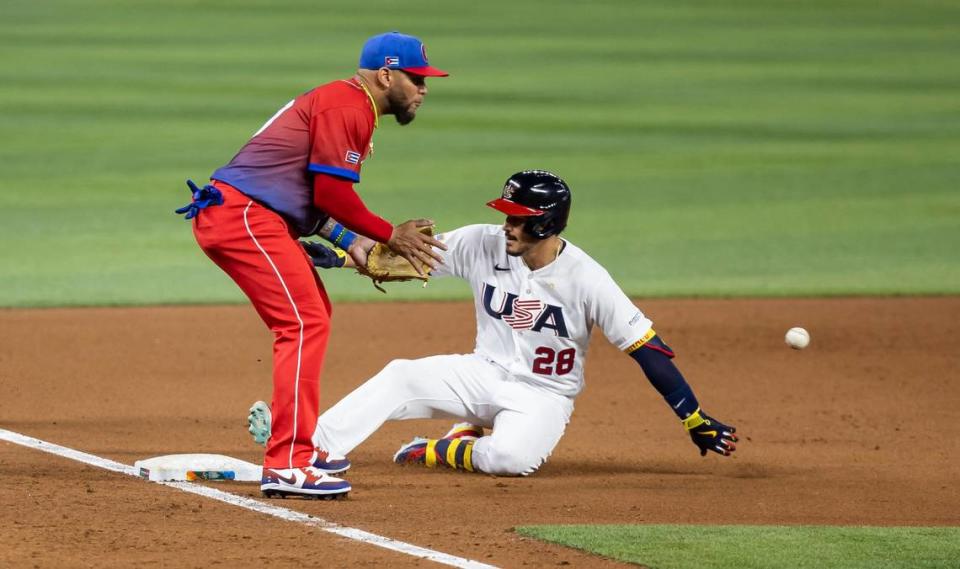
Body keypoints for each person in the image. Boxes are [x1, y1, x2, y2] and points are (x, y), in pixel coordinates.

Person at [248, 170, 738, 480]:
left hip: (544, 394)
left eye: (518, 219)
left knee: (510, 460)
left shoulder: (588, 279)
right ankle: (309, 447)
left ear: (545, 225)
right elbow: (409, 260)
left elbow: (647, 348)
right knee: (400, 374)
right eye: (506, 215)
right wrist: (341, 258)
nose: (506, 226)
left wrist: (692, 417)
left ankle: (448, 449)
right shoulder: (483, 242)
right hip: (481, 372)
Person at [176, 31, 449, 499]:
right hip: (243, 216)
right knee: (303, 323)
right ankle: (287, 464)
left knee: (311, 318)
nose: (424, 88)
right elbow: (331, 194)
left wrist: (353, 245)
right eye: (417, 78)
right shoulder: (349, 108)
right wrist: (389, 234)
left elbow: (306, 195)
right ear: (386, 75)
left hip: (246, 215)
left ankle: (298, 450)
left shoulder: (346, 105)